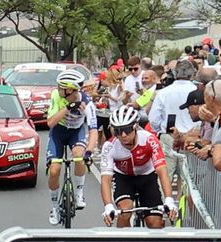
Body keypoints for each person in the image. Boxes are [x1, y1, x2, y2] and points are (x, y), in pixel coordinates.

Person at [98, 105, 177, 229]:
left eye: (127, 129)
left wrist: (169, 199)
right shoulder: (109, 146)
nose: (123, 135)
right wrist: (108, 206)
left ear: (135, 127)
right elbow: (105, 179)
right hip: (124, 178)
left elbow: (162, 170)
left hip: (147, 177)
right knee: (125, 211)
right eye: (118, 131)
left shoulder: (149, 139)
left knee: (154, 222)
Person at [42, 69, 93, 224]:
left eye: (61, 87)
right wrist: (68, 107)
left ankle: (79, 192)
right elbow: (50, 123)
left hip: (76, 132)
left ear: (70, 89)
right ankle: (54, 207)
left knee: (79, 156)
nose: (58, 89)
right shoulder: (56, 96)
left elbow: (94, 131)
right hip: (58, 132)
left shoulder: (88, 103)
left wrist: (89, 152)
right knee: (55, 169)